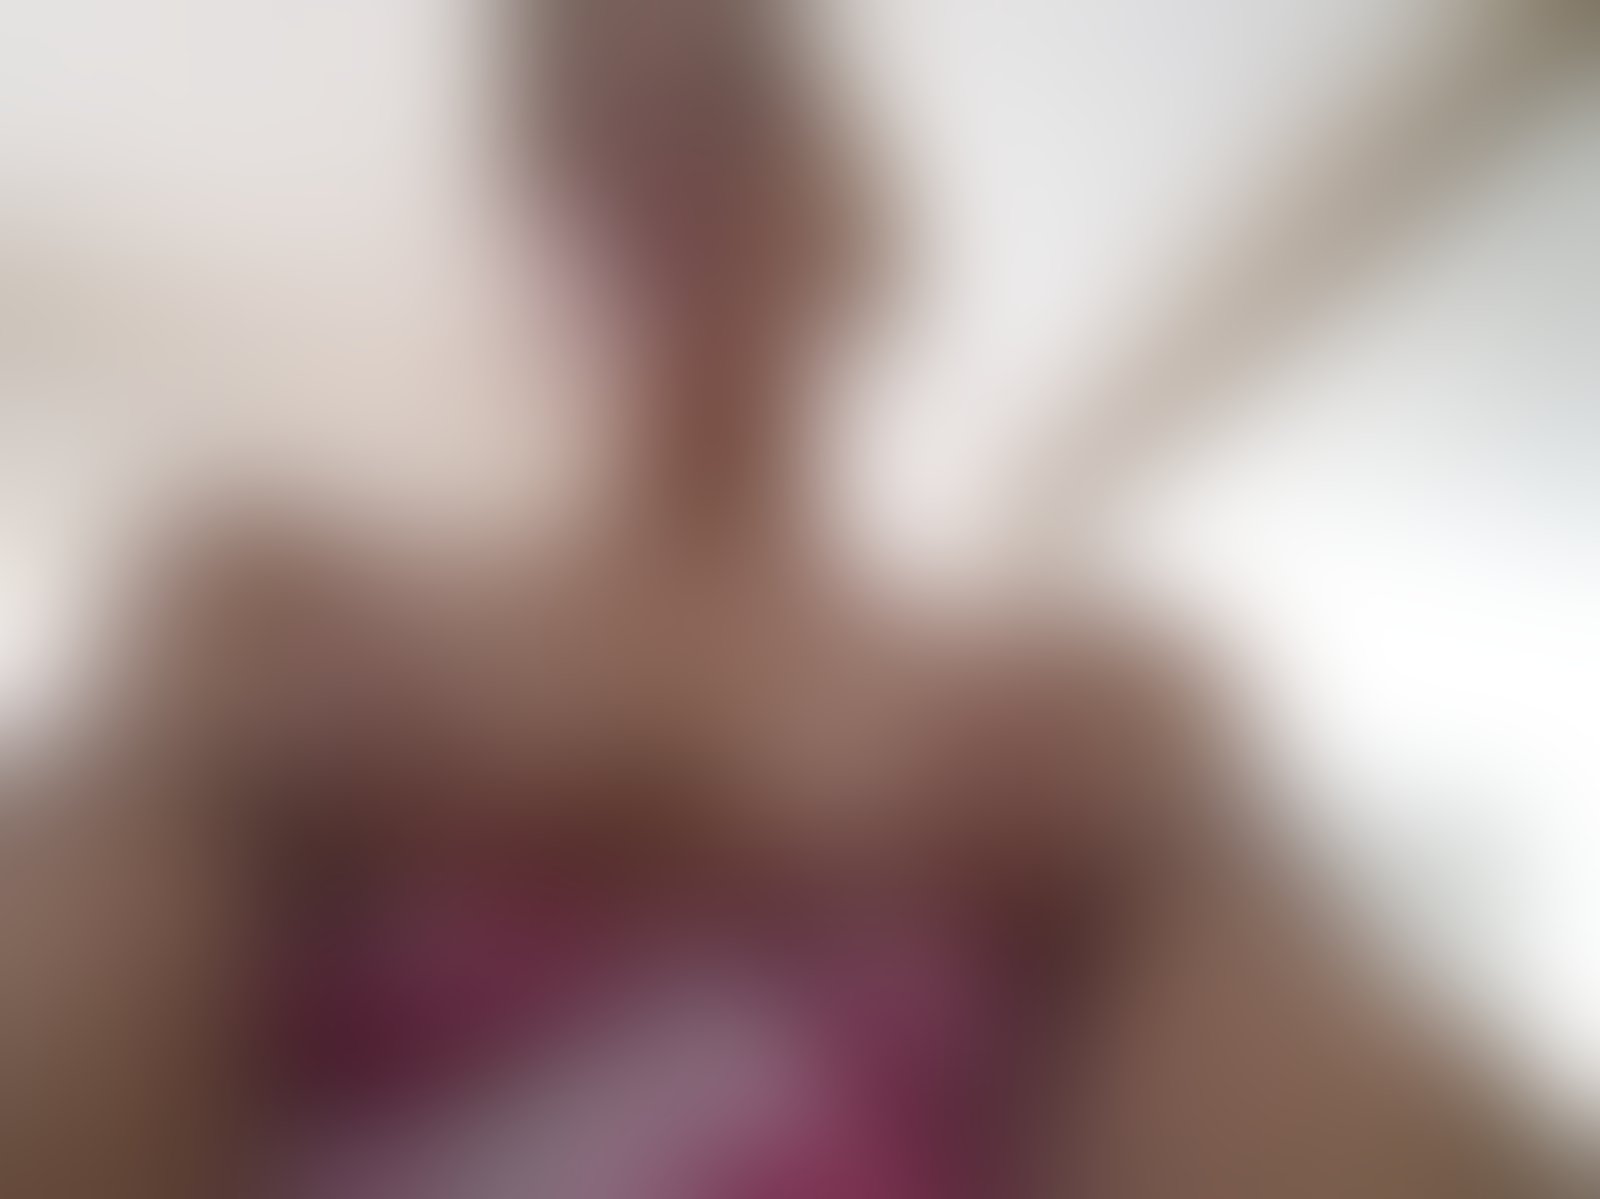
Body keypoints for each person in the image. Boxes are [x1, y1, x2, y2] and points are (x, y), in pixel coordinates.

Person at [1, 1, 1552, 1196]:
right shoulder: (282, 598)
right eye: (589, 130)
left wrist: (567, 776)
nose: (655, 168)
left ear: (855, 213)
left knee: (1218, 867)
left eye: (721, 106)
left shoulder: (1085, 695)